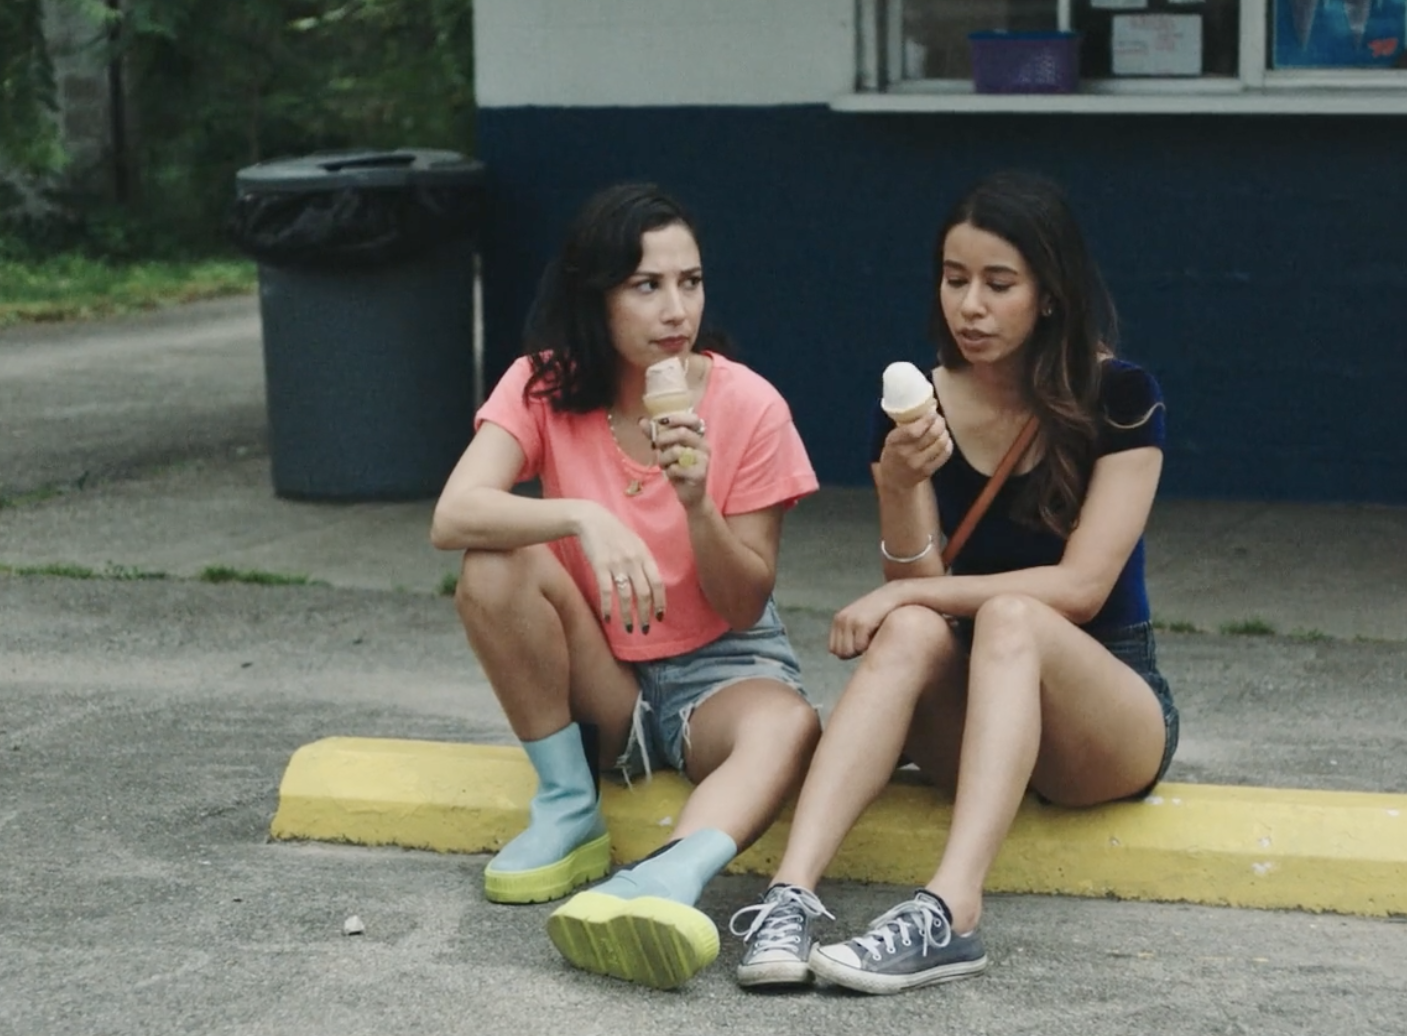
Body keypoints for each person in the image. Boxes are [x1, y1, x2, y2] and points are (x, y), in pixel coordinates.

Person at [724, 171, 1179, 995]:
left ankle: (951, 915)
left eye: (998, 284)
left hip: (1104, 715)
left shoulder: (1121, 398)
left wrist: (903, 594)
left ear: (1048, 294)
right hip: (976, 712)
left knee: (1007, 613)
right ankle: (788, 899)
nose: (970, 305)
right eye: (955, 278)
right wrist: (900, 485)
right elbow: (923, 587)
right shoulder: (915, 408)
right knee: (915, 629)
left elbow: (1079, 590)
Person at [428, 182, 823, 990]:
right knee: (494, 561)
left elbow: (745, 601)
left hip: (723, 668)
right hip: (604, 675)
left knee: (788, 726)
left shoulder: (750, 406)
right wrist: (579, 517)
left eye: (691, 281)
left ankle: (663, 883)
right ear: (594, 294)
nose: (676, 308)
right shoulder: (545, 386)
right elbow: (454, 514)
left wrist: (695, 503)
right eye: (647, 286)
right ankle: (570, 807)